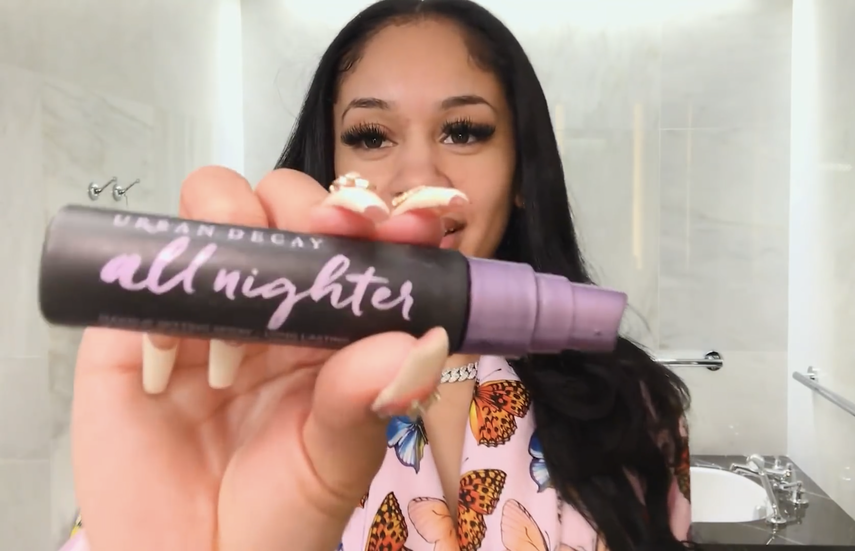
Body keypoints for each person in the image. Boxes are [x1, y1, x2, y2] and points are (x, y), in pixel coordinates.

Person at [60, 0, 693, 549]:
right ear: (330, 169)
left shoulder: (633, 408)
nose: (418, 176)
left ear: (522, 173)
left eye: (463, 131)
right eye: (371, 136)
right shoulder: (250, 402)